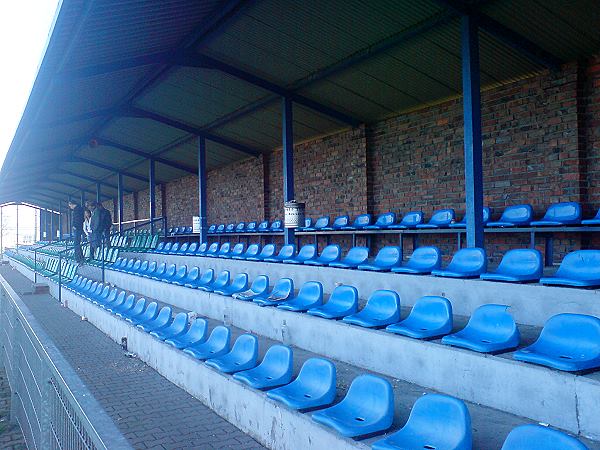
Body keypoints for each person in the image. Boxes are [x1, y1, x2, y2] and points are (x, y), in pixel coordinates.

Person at [68, 200, 85, 264]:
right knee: (77, 243)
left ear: (72, 204)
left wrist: (75, 226)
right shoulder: (79, 209)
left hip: (77, 228)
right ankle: (80, 257)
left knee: (76, 244)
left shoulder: (77, 210)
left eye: (70, 206)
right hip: (78, 228)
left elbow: (78, 219)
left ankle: (79, 258)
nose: (70, 207)